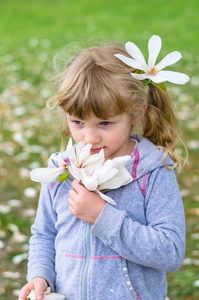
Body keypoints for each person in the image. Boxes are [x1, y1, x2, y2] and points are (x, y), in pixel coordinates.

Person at [19, 35, 189, 300]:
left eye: (105, 124)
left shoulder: (152, 171)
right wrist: (40, 276)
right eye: (77, 122)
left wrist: (103, 217)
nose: (90, 138)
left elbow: (170, 252)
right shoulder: (61, 170)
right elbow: (44, 234)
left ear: (136, 113)